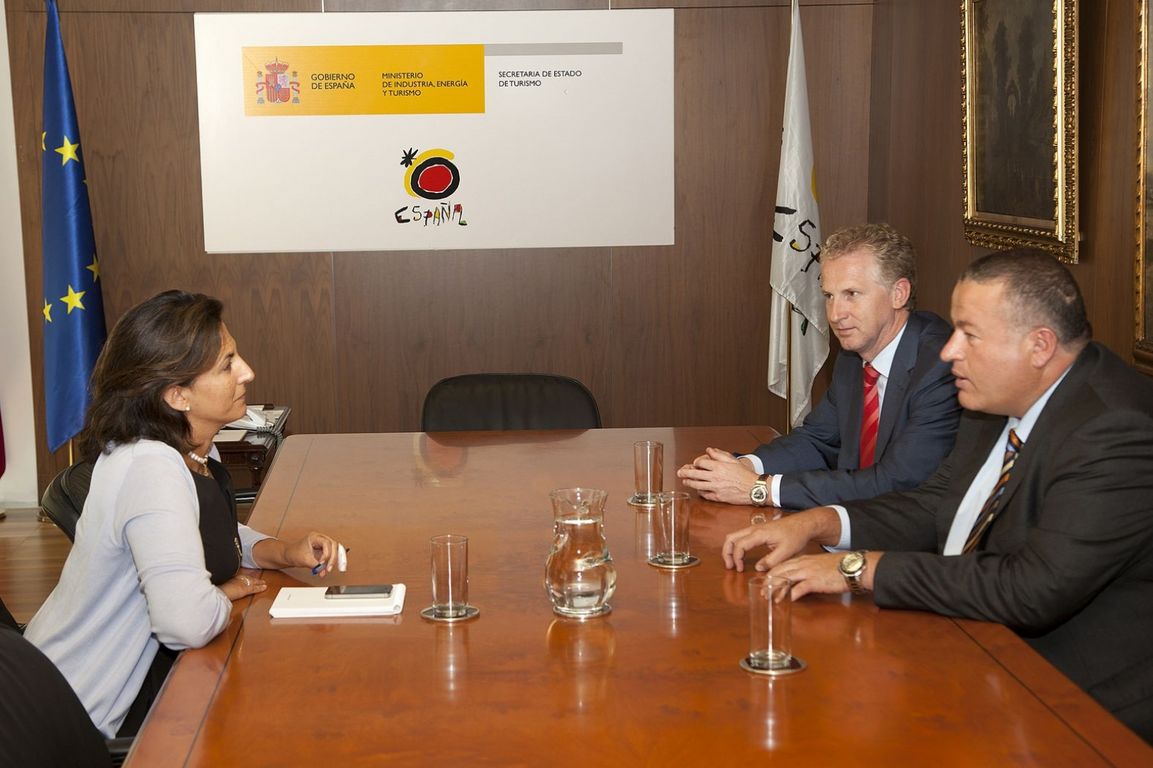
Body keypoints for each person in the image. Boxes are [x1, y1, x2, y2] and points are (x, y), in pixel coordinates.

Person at [722, 250, 1153, 743]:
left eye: (969, 334)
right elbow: (933, 505)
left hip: (1074, 701)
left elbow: (1032, 590)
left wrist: (859, 568)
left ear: (1039, 345)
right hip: (971, 640)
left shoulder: (1115, 433)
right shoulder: (995, 398)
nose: (948, 351)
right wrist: (819, 522)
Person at [25, 291, 344, 739]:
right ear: (177, 395)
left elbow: (200, 531)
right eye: (227, 365)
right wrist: (224, 592)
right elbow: (185, 624)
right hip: (72, 715)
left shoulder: (187, 450)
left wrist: (281, 551)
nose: (247, 371)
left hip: (93, 686)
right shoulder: (151, 468)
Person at [678, 223, 961, 509]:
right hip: (854, 520)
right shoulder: (854, 355)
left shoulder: (941, 366)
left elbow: (895, 483)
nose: (835, 315)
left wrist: (760, 488)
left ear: (899, 293)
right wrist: (744, 467)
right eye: (829, 296)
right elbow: (817, 440)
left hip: (910, 529)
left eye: (851, 294)